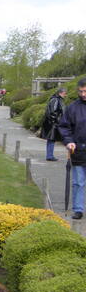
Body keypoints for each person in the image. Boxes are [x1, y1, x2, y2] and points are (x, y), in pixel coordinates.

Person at [59, 77, 86, 220]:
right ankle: (78, 209)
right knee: (78, 182)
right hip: (78, 151)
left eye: (85, 91)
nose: (83, 94)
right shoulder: (72, 108)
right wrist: (68, 141)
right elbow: (64, 126)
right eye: (81, 91)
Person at [41, 87, 67, 161]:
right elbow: (53, 111)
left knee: (51, 139)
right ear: (60, 93)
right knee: (51, 139)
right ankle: (49, 156)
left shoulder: (56, 99)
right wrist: (57, 121)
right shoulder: (56, 99)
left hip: (52, 122)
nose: (65, 95)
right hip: (52, 123)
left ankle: (50, 155)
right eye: (64, 94)